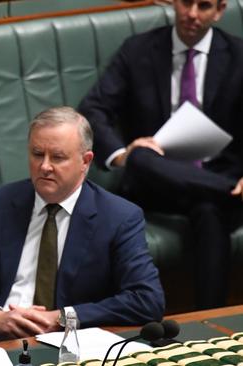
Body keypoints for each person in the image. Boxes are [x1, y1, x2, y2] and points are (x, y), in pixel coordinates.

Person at [0, 107, 164, 340]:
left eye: (57, 157)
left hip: (69, 344)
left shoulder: (119, 217)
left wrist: (63, 318)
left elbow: (147, 299)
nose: (44, 166)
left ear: (85, 162)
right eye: (37, 154)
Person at [78, 0, 243, 309]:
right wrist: (122, 155)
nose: (192, 14)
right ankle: (230, 192)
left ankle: (211, 321)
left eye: (204, 5)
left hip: (214, 182)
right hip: (155, 182)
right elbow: (93, 110)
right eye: (186, 2)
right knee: (140, 156)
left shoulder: (238, 55)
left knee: (209, 211)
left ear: (219, 11)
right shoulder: (139, 50)